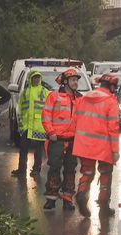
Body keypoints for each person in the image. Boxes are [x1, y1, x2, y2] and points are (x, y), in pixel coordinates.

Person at [73, 74, 120, 218]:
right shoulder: (111, 101)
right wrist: (115, 151)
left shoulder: (84, 98)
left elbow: (75, 119)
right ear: (111, 86)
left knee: (87, 173)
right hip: (103, 147)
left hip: (84, 144)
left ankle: (81, 194)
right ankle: (104, 206)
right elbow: (113, 128)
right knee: (106, 174)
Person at [41, 68, 83, 211]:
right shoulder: (54, 96)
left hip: (73, 140)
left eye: (77, 80)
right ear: (65, 82)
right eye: (73, 80)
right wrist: (50, 132)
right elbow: (46, 115)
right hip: (56, 139)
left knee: (71, 170)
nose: (76, 82)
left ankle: (67, 199)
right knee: (54, 168)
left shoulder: (80, 99)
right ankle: (51, 199)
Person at [11, 70, 50, 177]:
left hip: (39, 127)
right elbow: (20, 109)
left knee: (38, 151)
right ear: (30, 79)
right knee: (23, 149)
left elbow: (49, 109)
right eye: (34, 77)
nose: (36, 79)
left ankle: (36, 169)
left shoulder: (45, 92)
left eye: (38, 77)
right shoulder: (25, 92)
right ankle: (21, 169)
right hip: (26, 126)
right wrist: (20, 125)